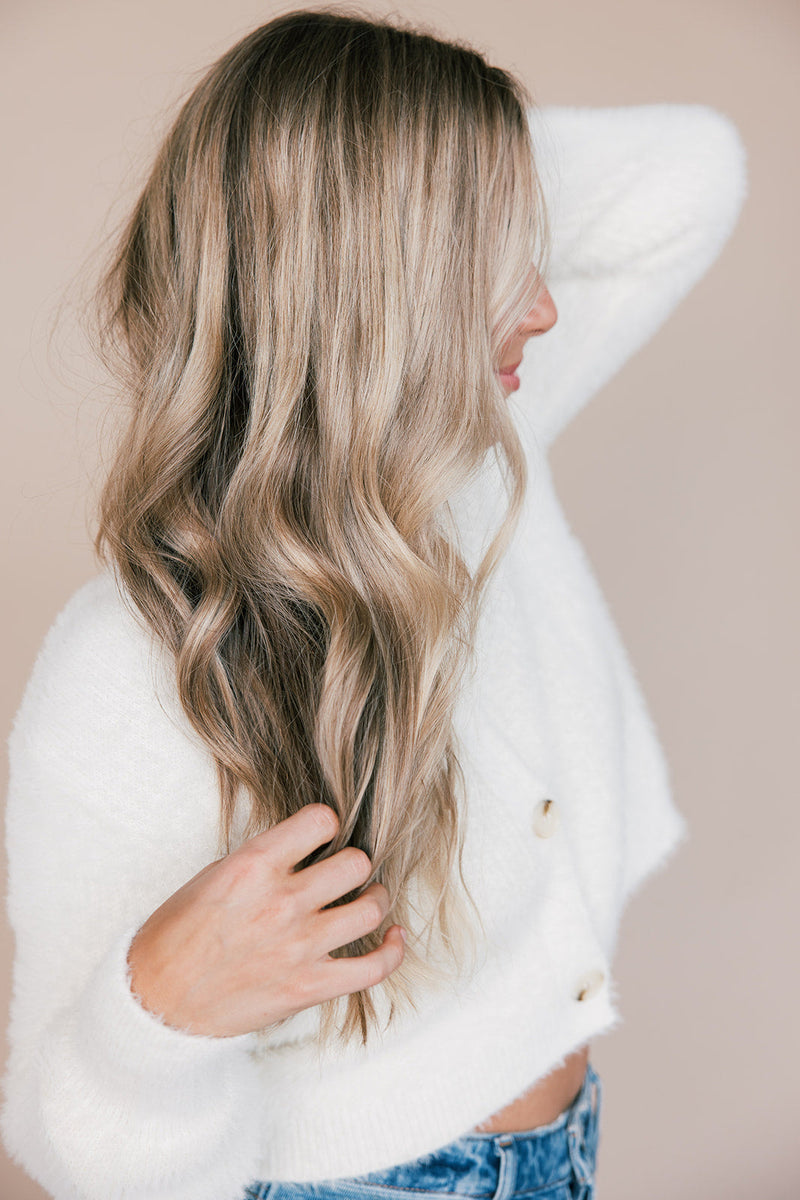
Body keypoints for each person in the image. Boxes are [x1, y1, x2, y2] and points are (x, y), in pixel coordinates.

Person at [0, 8, 748, 1200]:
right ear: (383, 283)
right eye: (498, 254)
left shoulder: (477, 449)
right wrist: (155, 1019)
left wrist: (428, 159)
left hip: (561, 1148)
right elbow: (70, 1146)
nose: (543, 310)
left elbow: (690, 175)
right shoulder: (131, 664)